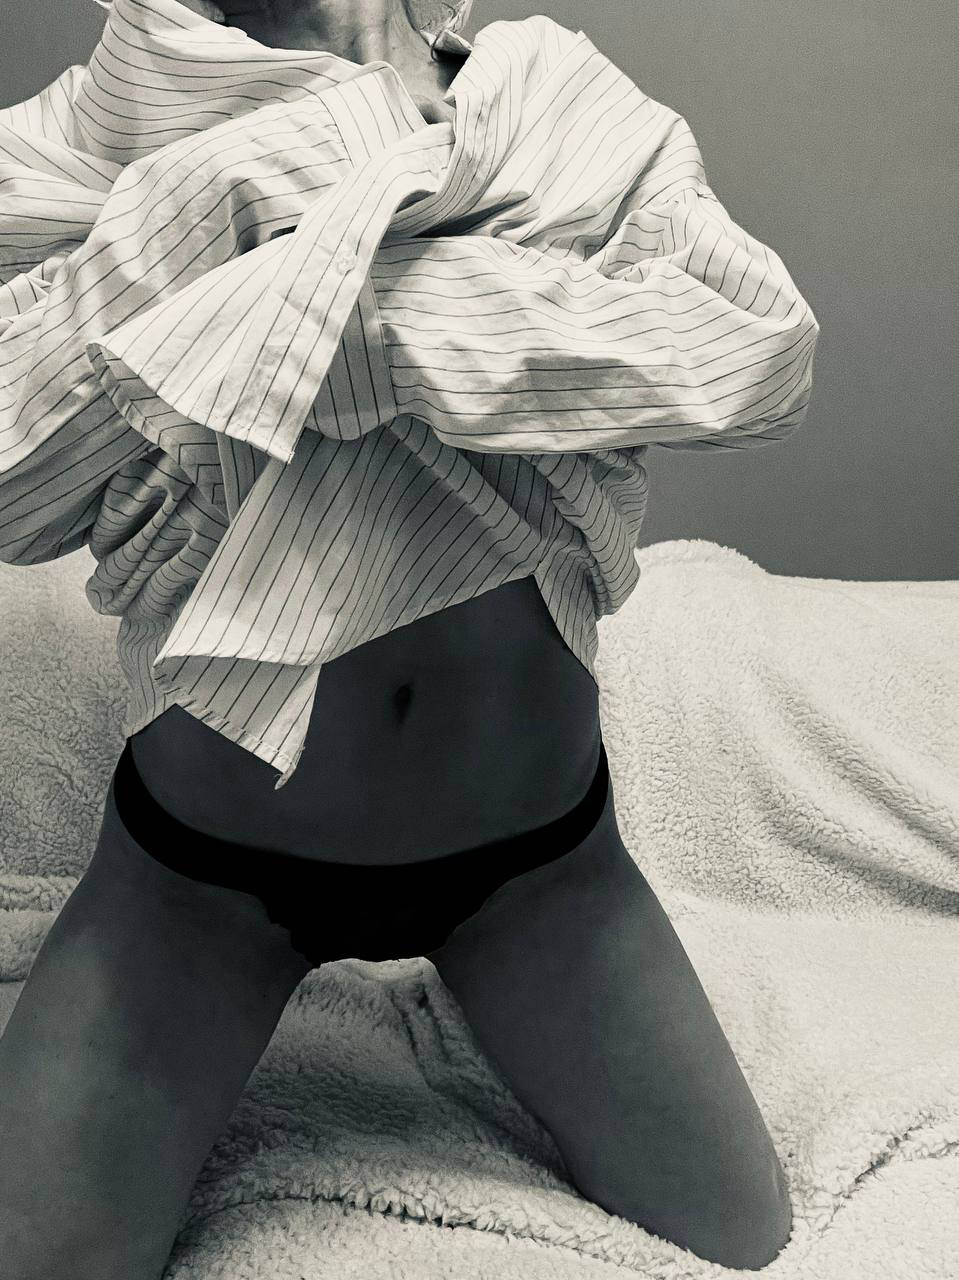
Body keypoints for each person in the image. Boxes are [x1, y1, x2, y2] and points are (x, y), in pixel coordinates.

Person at [0, 1, 817, 1274]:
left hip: (540, 873)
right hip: (199, 887)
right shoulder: (96, 127)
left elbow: (750, 355)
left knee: (742, 1232)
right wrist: (235, 193)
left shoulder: (549, 92)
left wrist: (333, 325)